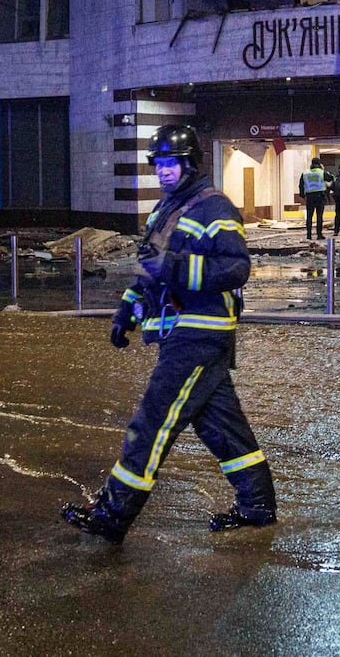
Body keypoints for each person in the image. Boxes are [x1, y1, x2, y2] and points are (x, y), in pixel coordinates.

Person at [61, 124, 277, 543]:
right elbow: (149, 269)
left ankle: (113, 513)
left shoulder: (215, 207)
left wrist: (177, 270)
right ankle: (257, 506)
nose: (162, 172)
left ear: (190, 163)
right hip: (183, 334)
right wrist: (127, 309)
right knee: (221, 427)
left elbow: (237, 269)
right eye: (157, 165)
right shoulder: (165, 210)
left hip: (199, 334)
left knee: (152, 421)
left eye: (170, 164)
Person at [301, 157, 331, 239]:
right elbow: (331, 178)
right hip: (320, 197)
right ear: (319, 164)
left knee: (309, 216)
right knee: (319, 216)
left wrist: (303, 196)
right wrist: (323, 169)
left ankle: (309, 235)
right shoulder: (321, 172)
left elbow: (301, 185)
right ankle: (319, 234)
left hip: (310, 197)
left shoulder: (305, 173)